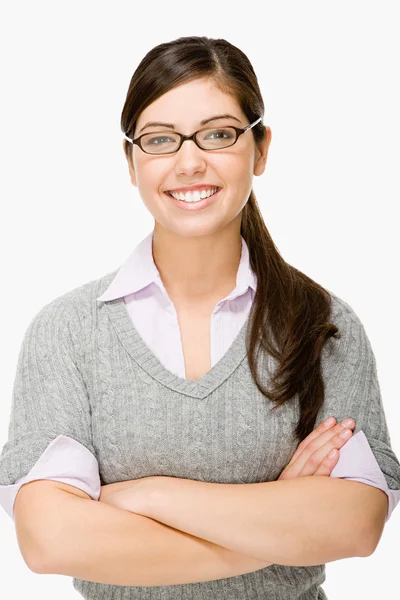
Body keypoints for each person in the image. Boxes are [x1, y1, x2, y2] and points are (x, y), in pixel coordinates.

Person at [0, 35, 399, 599]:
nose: (190, 162)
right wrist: (281, 520)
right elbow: (49, 541)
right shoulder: (66, 332)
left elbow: (356, 526)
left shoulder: (322, 325)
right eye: (160, 140)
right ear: (131, 161)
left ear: (260, 149)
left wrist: (149, 494)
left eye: (217, 134)